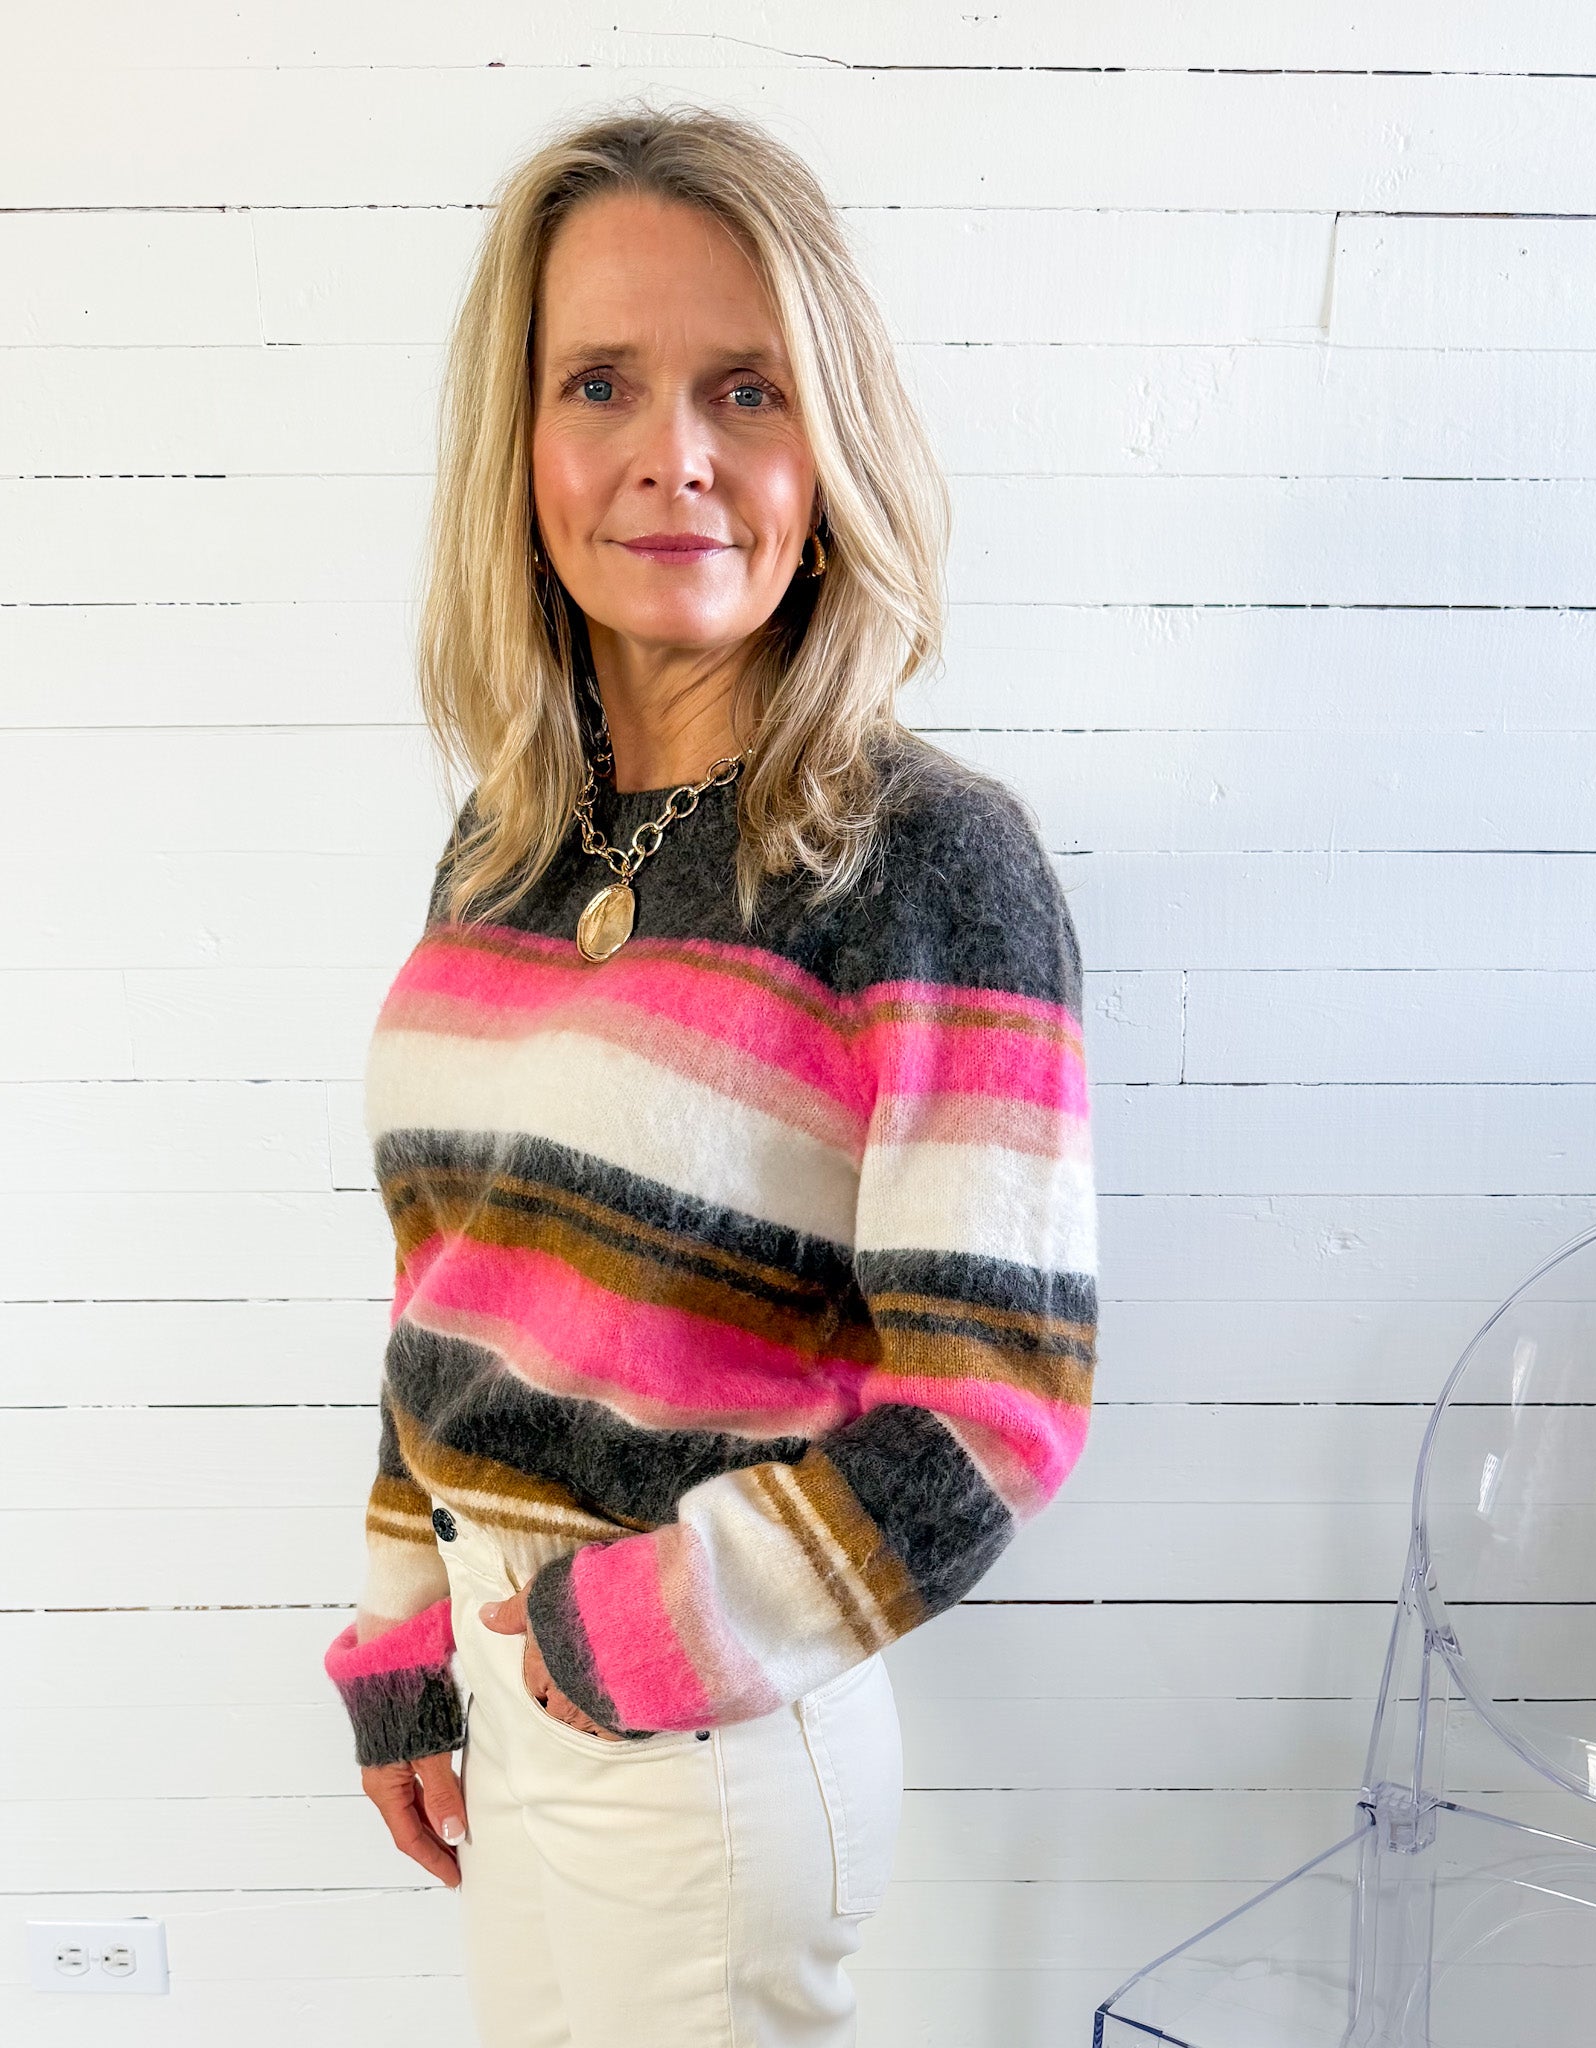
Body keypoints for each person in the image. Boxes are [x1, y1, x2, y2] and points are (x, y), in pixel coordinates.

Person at [321, 99, 1098, 2048]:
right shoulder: (508, 844)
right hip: (528, 1691)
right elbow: (453, 1284)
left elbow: (989, 1409)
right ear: (524, 447)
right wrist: (418, 1629)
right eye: (602, 383)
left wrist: (625, 1643)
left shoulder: (916, 855)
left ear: (829, 441)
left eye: (744, 389)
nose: (674, 455)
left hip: (705, 1729)